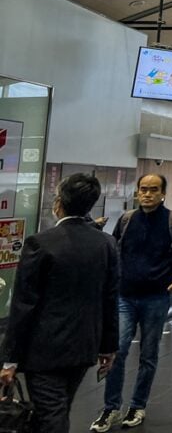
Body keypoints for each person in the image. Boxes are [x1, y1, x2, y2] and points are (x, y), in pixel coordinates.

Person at [0, 173, 118, 433]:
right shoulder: (106, 243)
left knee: (51, 414)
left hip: (44, 350)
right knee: (60, 407)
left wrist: (9, 360)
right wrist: (108, 347)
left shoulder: (40, 244)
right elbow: (110, 298)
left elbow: (23, 305)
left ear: (58, 202)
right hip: (85, 345)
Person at [92, 173, 172, 431]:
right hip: (125, 294)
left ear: (163, 193)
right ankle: (110, 408)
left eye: (154, 190)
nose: (147, 194)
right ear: (137, 192)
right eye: (143, 189)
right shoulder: (127, 219)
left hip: (156, 296)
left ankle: (137, 405)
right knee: (117, 350)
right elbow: (116, 250)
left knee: (148, 353)